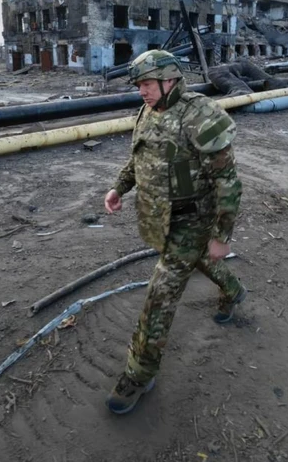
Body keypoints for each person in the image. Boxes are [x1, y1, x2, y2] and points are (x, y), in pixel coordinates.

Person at [103, 49, 247, 415]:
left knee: (160, 294)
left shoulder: (202, 115)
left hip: (194, 219)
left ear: (170, 80)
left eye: (148, 84)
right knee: (196, 260)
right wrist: (120, 187)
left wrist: (221, 235)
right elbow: (140, 157)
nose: (142, 92)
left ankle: (140, 372)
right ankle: (233, 291)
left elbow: (228, 182)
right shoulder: (149, 111)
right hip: (163, 218)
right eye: (139, 86)